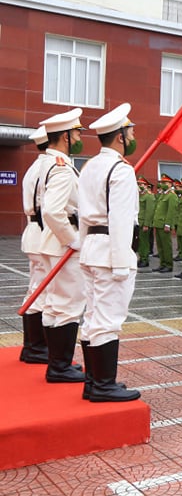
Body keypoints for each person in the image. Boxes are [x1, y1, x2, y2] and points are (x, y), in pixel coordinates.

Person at [76, 103, 141, 402]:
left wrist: (81, 248)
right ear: (119, 138)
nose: (132, 136)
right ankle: (103, 385)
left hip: (92, 249)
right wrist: (121, 262)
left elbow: (81, 215)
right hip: (110, 253)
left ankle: (93, 382)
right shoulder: (120, 170)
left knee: (92, 317)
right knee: (108, 320)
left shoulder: (90, 166)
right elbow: (120, 219)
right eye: (130, 132)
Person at [37, 108, 86, 383]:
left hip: (51, 243)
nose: (79, 137)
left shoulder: (49, 162)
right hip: (62, 245)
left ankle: (57, 363)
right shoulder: (61, 168)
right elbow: (53, 211)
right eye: (77, 132)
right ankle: (60, 366)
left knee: (55, 305)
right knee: (69, 305)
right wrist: (72, 239)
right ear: (66, 137)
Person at [19, 126, 53, 364]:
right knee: (42, 290)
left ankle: (33, 346)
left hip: (34, 230)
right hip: (42, 232)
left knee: (36, 287)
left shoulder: (34, 167)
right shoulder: (46, 168)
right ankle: (36, 347)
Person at [136, 177, 155, 269]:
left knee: (144, 242)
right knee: (140, 242)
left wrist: (146, 224)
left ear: (147, 186)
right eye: (139, 184)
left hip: (144, 222)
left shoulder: (149, 196)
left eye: (141, 184)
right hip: (139, 221)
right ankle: (142, 258)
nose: (139, 186)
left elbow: (149, 211)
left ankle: (145, 259)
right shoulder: (141, 195)